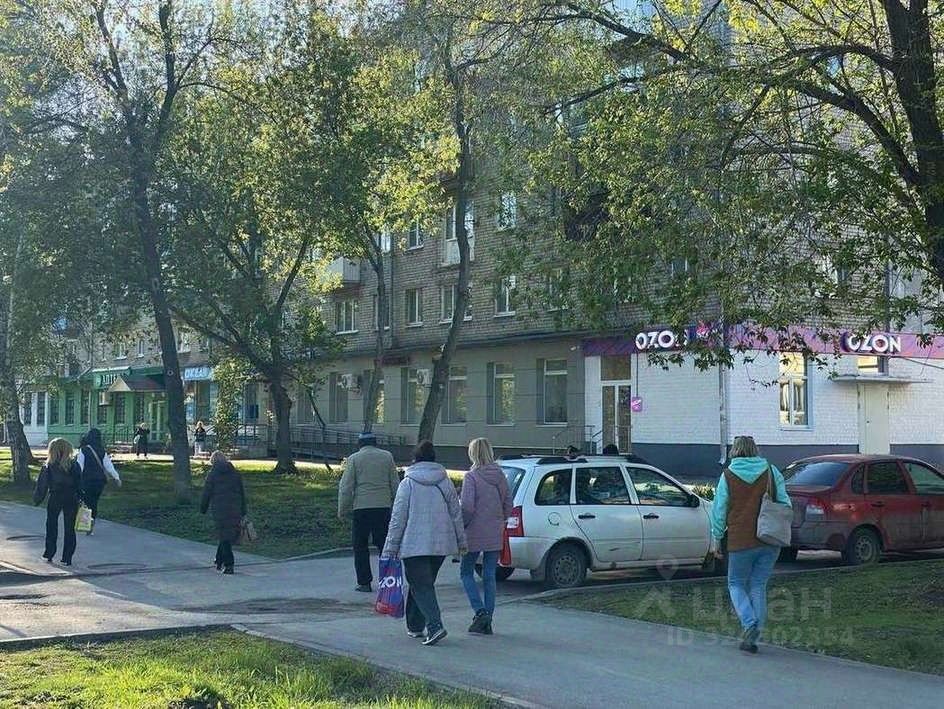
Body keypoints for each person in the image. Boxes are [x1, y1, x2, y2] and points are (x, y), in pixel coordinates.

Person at [710, 435, 791, 654]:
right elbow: (785, 503)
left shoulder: (727, 476)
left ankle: (749, 623)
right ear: (755, 450)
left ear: (734, 451)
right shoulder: (771, 471)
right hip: (770, 539)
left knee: (735, 583)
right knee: (758, 585)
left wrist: (716, 538)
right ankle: (755, 635)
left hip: (740, 540)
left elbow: (719, 510)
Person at [382, 440, 466, 646]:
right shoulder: (445, 482)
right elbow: (456, 514)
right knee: (422, 584)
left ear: (415, 459)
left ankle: (435, 626)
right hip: (440, 545)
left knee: (421, 585)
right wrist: (461, 542)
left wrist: (390, 548)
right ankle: (415, 626)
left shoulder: (407, 484)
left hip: (414, 544)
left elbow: (398, 519)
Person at [459, 438, 512, 635]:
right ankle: (488, 619)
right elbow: (508, 502)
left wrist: (462, 525)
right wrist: (501, 519)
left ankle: (479, 611)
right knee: (490, 575)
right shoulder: (500, 476)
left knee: (466, 572)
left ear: (472, 453)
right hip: (495, 531)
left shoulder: (471, 477)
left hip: (474, 531)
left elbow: (467, 507)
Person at [338, 432, 400, 592]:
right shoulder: (387, 457)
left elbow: (346, 487)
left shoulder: (354, 459)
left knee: (360, 546)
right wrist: (397, 505)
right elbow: (395, 483)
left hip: (361, 508)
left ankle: (364, 582)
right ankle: (389, 581)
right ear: (375, 442)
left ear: (360, 444)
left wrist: (342, 509)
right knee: (384, 545)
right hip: (383, 507)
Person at [33, 438, 83, 566]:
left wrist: (38, 499)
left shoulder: (49, 465)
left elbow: (42, 484)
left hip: (55, 496)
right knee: (69, 528)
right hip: (71, 497)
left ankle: (49, 553)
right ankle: (67, 557)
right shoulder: (74, 464)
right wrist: (81, 496)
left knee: (51, 525)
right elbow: (79, 482)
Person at [200, 450, 246, 575]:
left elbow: (206, 493)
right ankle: (219, 560)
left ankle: (229, 564)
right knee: (225, 535)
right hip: (235, 508)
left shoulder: (212, 474)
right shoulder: (235, 473)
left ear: (213, 461)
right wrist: (243, 510)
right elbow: (242, 492)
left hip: (220, 509)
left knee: (224, 536)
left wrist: (203, 508)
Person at [76, 428, 122, 535]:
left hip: (87, 481)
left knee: (86, 502)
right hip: (99, 482)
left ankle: (86, 525)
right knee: (94, 502)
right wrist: (117, 478)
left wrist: (76, 478)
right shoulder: (102, 451)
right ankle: (91, 522)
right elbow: (109, 466)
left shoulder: (84, 450)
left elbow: (79, 466)